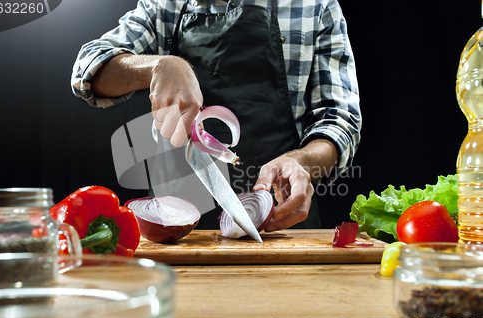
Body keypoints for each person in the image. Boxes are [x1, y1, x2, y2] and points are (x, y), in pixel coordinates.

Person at [71, 0, 361, 232]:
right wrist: (160, 66)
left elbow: (340, 121)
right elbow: (88, 68)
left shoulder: (316, 7)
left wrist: (302, 162)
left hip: (281, 224)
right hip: (176, 232)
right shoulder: (165, 6)